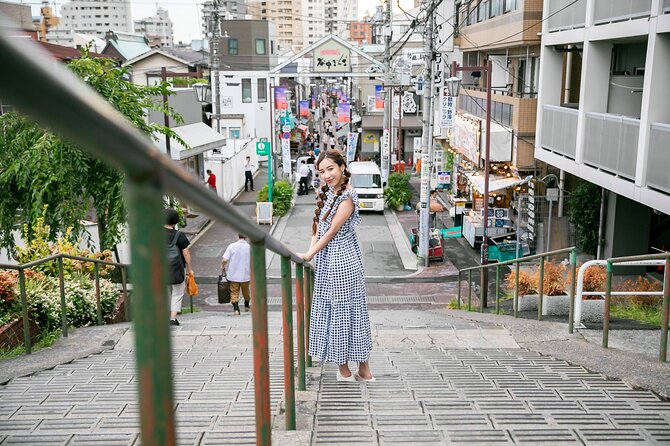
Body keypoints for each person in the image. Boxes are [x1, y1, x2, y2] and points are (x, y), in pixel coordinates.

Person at [297, 149, 374, 383]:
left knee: (342, 312)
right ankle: (362, 370)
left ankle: (346, 371)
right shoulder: (328, 191)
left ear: (342, 167)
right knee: (350, 312)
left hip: (341, 260)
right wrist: (310, 251)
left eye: (330, 169)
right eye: (322, 171)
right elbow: (318, 227)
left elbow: (331, 231)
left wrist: (310, 253)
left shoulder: (347, 196)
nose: (326, 175)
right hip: (330, 259)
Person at [165, 208, 193, 326]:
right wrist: (189, 269)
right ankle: (172, 318)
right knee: (177, 293)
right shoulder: (180, 235)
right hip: (177, 269)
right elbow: (186, 254)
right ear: (176, 221)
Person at [221, 234, 251, 315]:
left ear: (238, 236)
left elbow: (225, 259)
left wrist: (222, 266)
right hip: (246, 274)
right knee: (246, 290)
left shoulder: (232, 246)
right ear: (246, 237)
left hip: (233, 274)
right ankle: (247, 304)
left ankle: (236, 309)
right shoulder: (249, 247)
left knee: (234, 291)